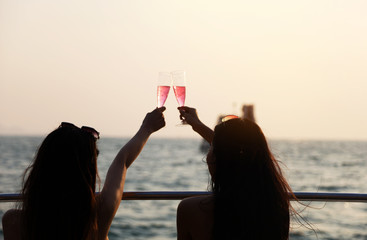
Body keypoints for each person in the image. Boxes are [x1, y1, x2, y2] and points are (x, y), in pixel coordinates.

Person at [2, 107, 166, 240]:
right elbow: (122, 160)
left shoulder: (14, 221)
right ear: (86, 170)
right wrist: (147, 128)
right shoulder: (98, 216)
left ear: (41, 168)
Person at [176, 106, 296, 240]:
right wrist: (198, 126)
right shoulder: (276, 207)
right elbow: (237, 152)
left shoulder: (191, 209)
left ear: (215, 158)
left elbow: (228, 151)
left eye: (212, 147)